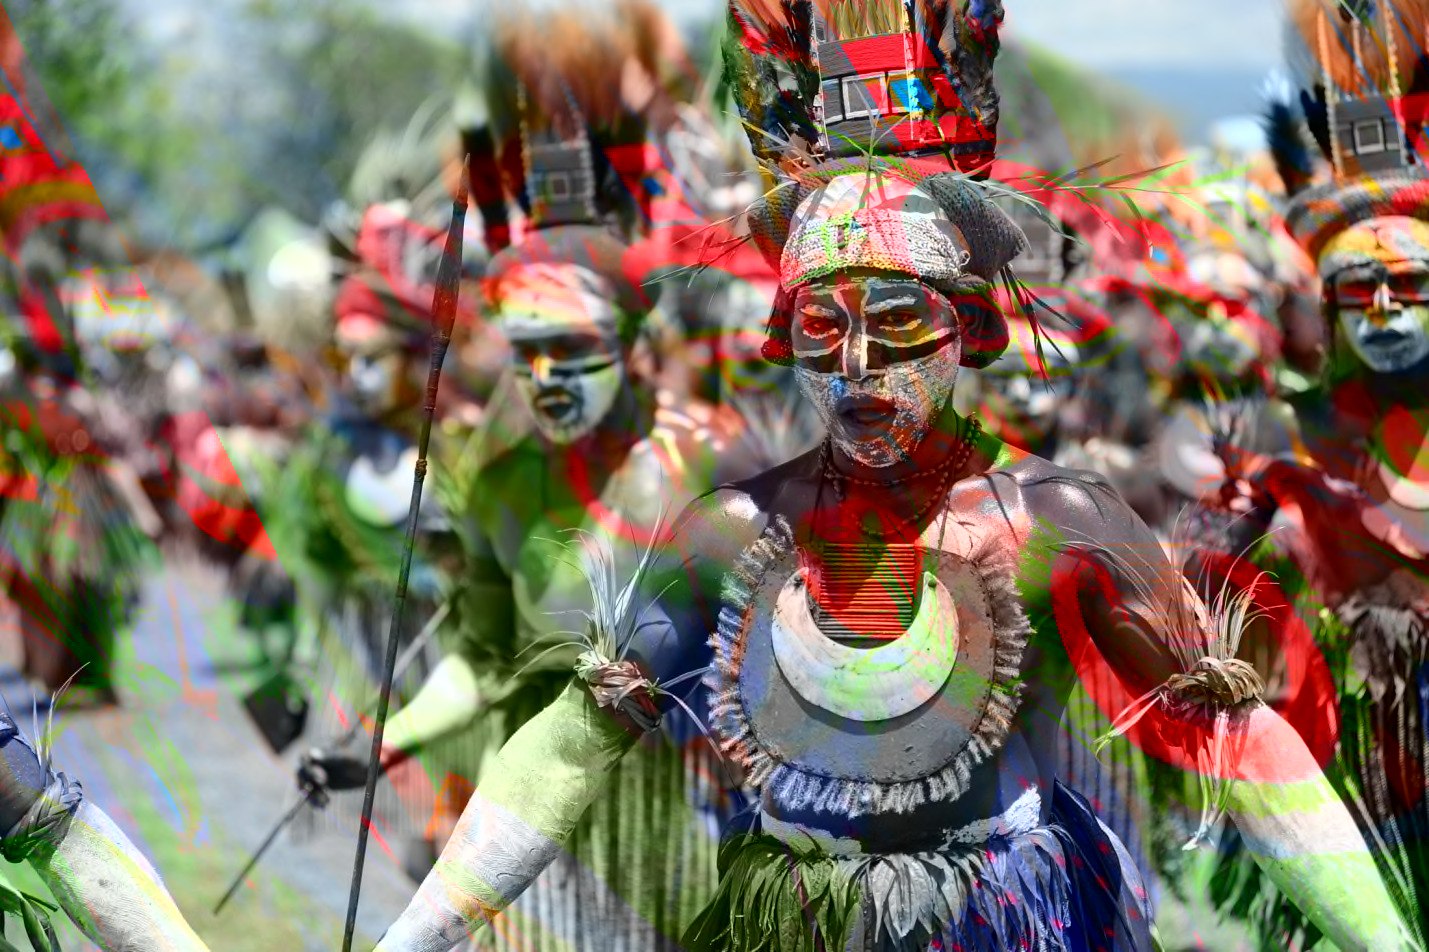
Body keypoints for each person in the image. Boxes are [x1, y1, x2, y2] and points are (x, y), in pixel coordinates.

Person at [372, 3, 1416, 951]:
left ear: (966, 329)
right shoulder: (728, 530)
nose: (858, 369)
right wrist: (412, 939)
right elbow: (567, 745)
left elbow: (1235, 738)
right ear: (786, 338)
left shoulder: (1052, 518)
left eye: (900, 324)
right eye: (824, 330)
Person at [302, 7, 749, 949]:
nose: (544, 379)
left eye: (572, 349)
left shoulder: (711, 469)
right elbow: (481, 654)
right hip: (538, 840)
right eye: (528, 352)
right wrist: (382, 741)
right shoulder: (504, 484)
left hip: (702, 843)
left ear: (631, 344)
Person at [1188, 1, 1429, 946]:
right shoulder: (1282, 442)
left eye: (1408, 285)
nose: (1380, 306)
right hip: (1349, 812)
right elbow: (1203, 601)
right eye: (1355, 288)